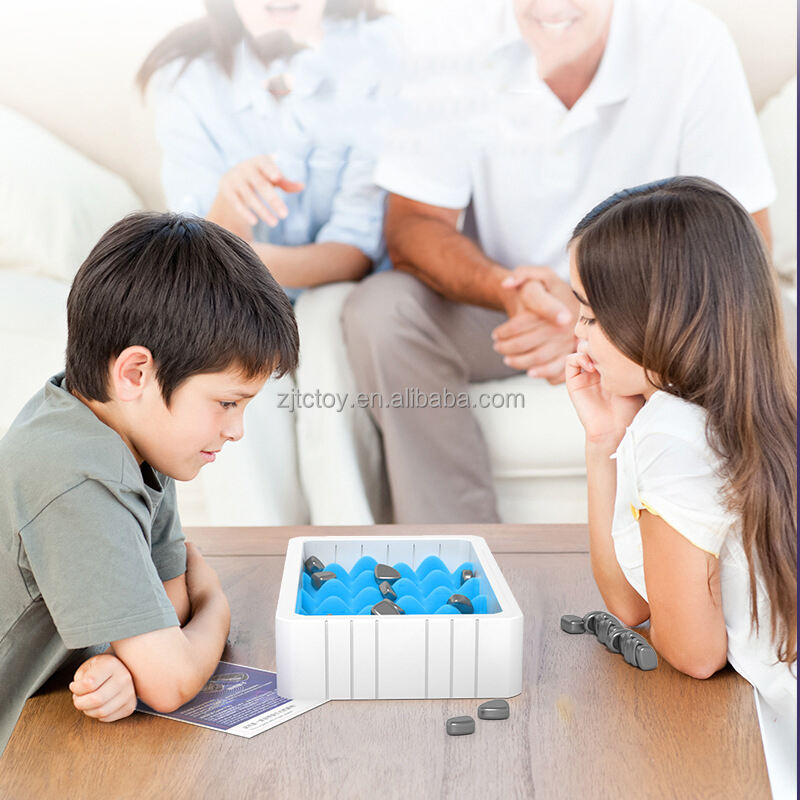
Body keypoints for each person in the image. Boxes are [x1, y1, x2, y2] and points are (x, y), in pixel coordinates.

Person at [341, 0, 775, 523]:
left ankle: (743, 542)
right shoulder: (449, 43)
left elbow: (743, 240)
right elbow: (412, 225)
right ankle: (459, 555)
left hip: (645, 313)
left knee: (776, 320)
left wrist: (599, 320)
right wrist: (509, 290)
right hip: (506, 307)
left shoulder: (690, 38)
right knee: (382, 311)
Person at [0, 212, 299, 755]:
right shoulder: (74, 474)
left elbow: (171, 609)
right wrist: (218, 606)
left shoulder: (139, 439)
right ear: (135, 373)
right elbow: (170, 680)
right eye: (227, 403)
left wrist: (122, 657)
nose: (235, 430)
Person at [565, 176, 796, 791]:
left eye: (589, 313)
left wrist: (633, 443)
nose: (577, 335)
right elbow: (633, 605)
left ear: (657, 318)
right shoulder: (759, 406)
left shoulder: (672, 434)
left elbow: (693, 654)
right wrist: (605, 443)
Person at [136, 0, 396, 524]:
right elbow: (198, 257)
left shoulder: (380, 54)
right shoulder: (184, 76)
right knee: (223, 342)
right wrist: (228, 217)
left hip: (338, 287)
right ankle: (259, 555)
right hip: (233, 284)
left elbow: (354, 253)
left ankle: (352, 555)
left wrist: (237, 251)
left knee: (325, 327)